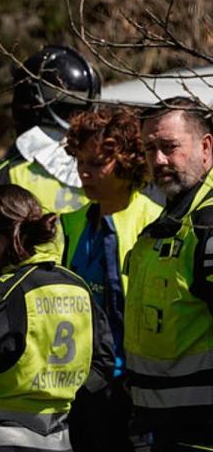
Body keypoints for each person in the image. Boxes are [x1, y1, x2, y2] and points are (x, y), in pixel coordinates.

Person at [0, 184, 115, 452]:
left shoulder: (4, 293)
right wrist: (62, 392)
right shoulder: (78, 286)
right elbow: (103, 362)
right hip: (59, 439)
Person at [0, 46, 101, 302]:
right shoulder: (112, 171)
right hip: (87, 309)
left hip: (18, 309)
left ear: (25, 103)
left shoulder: (5, 173)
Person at [60, 106, 163, 451]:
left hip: (132, 390)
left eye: (95, 163)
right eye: (80, 161)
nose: (83, 172)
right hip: (80, 388)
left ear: (127, 161)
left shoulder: (155, 223)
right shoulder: (70, 224)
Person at [124, 97, 213, 450]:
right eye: (150, 149)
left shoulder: (207, 226)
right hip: (162, 429)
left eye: (169, 147)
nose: (158, 160)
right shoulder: (172, 222)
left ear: (206, 147)